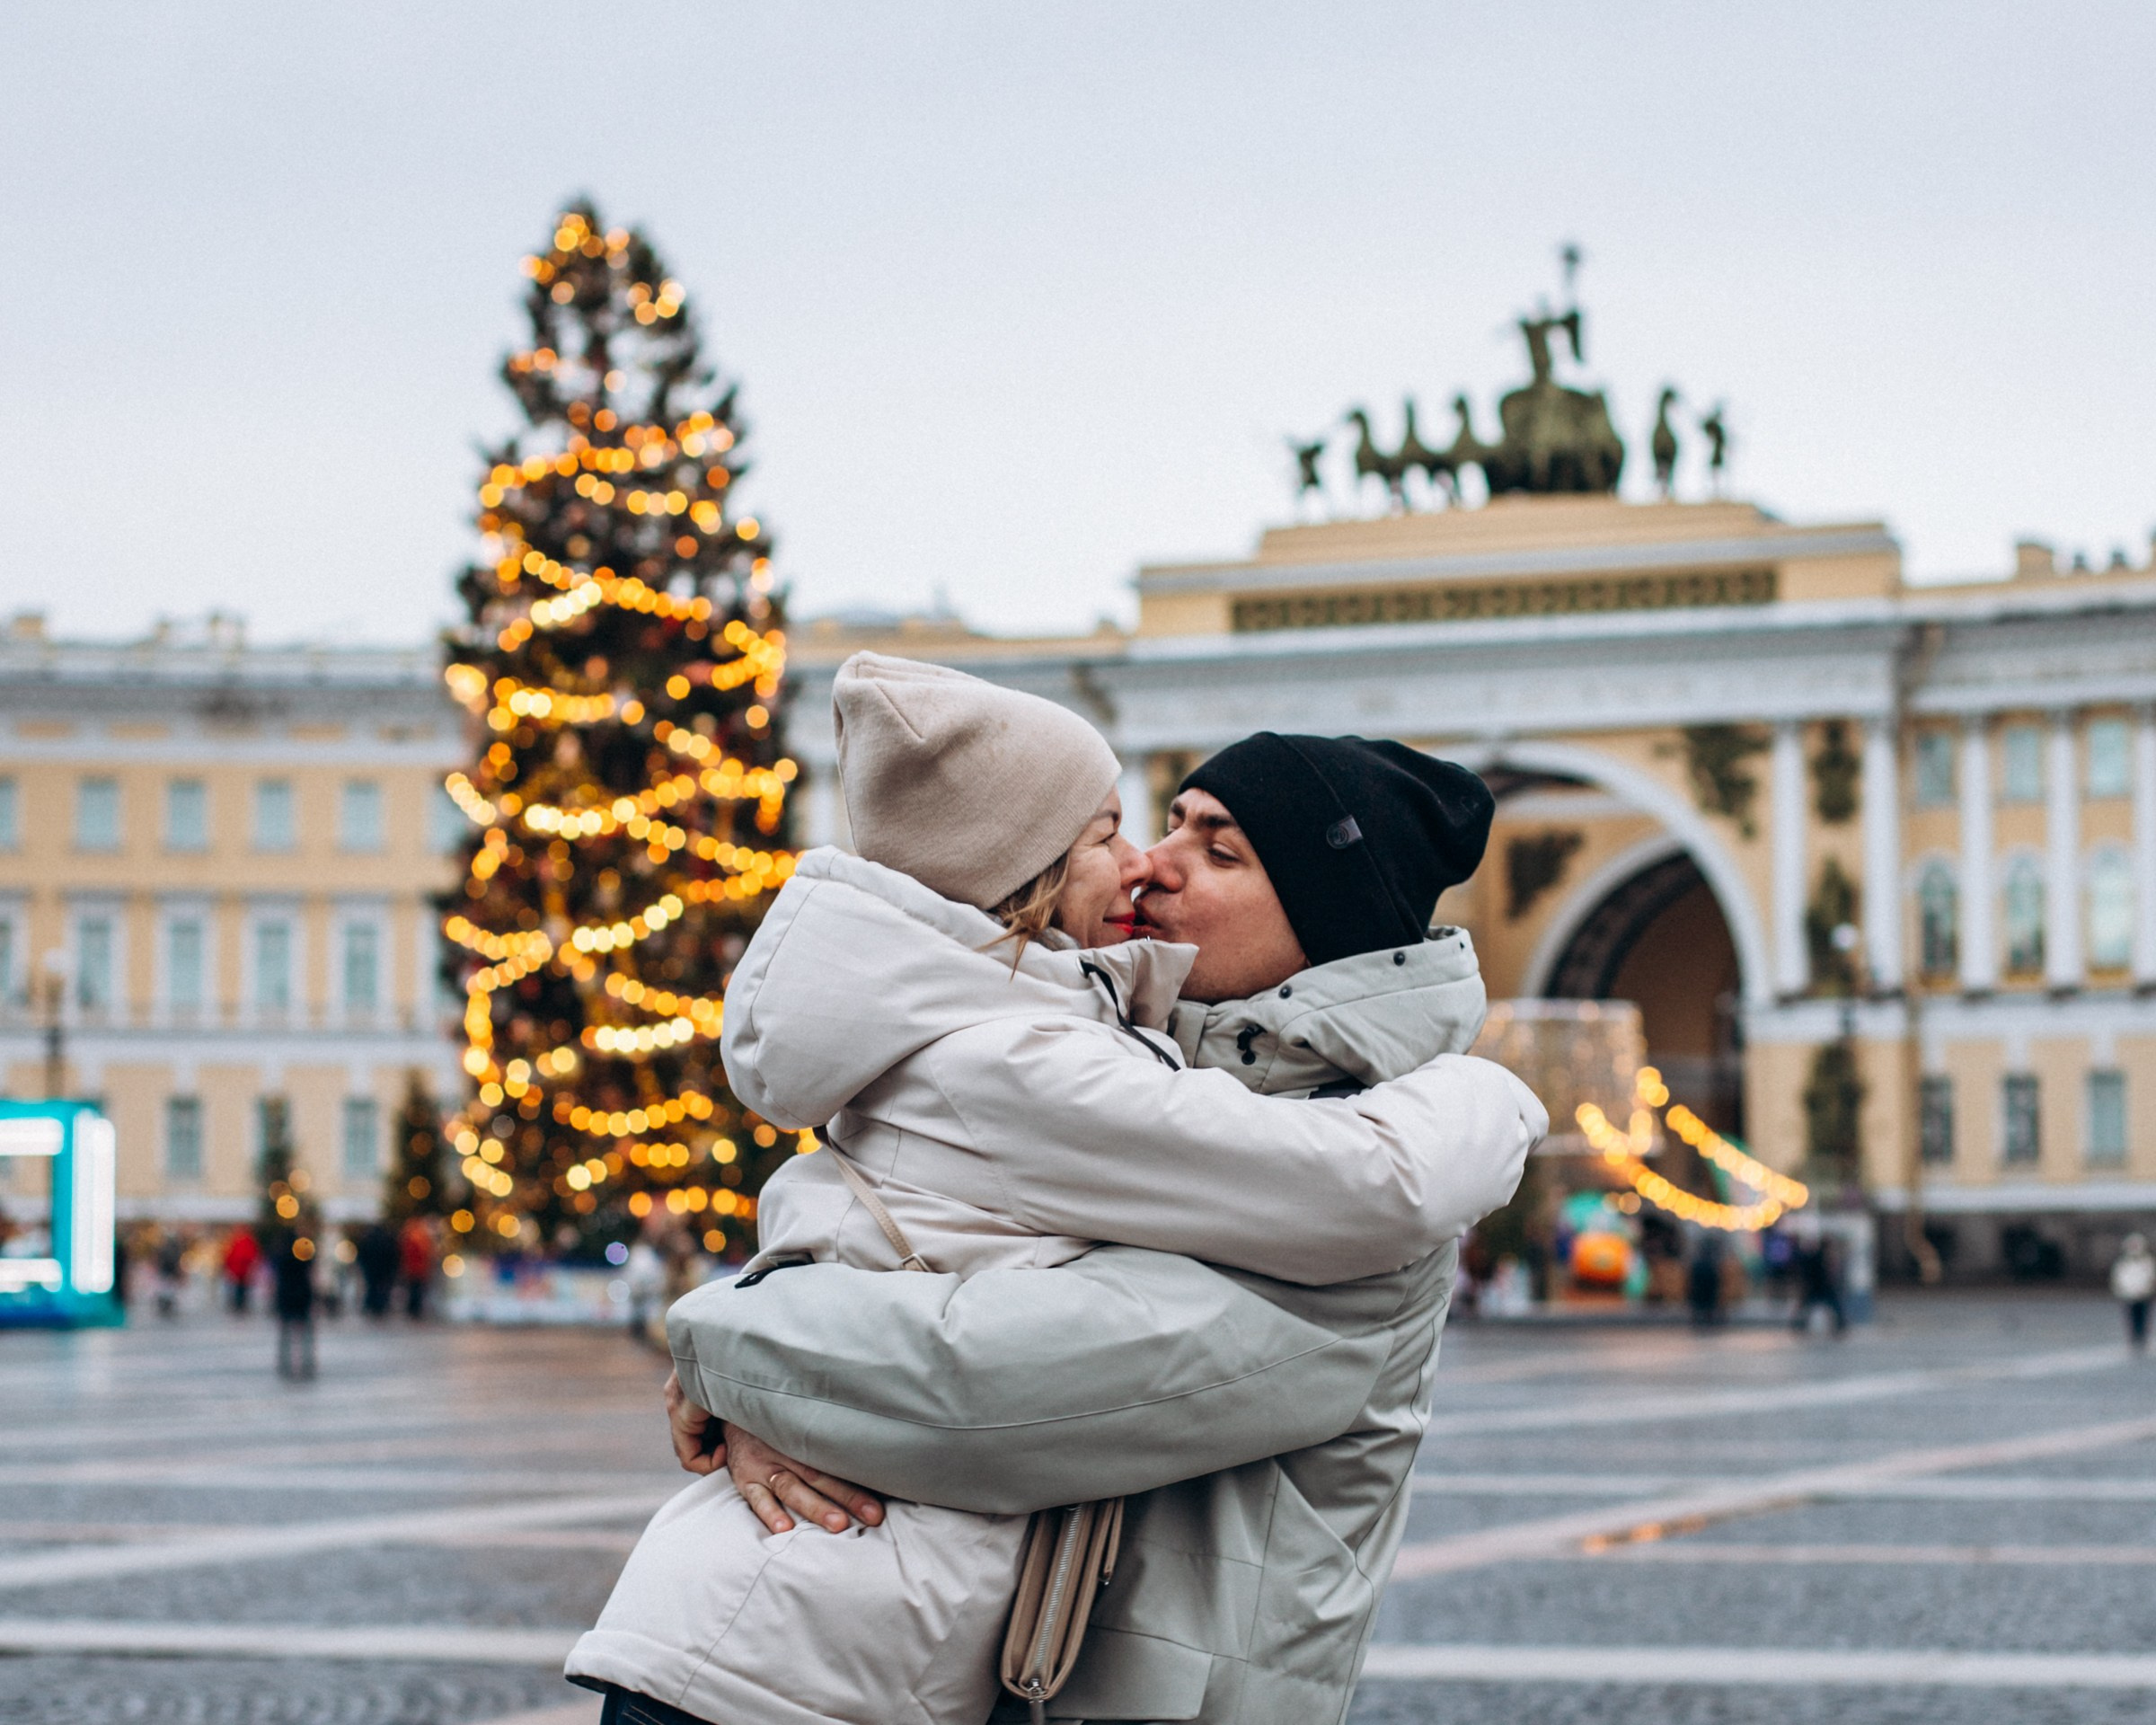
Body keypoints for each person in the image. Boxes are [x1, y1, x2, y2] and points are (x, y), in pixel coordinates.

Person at [567, 662, 1541, 1725]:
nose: (1149, 867)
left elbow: (992, 1387)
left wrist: (737, 1359)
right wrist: (756, 1369)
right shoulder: (1070, 1062)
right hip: (807, 1652)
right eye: (1142, 829)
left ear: (1327, 922)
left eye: (1216, 852)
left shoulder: (1313, 1160)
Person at [270, 1225, 316, 1380]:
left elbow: (276, 1274)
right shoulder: (303, 1253)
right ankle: (308, 1362)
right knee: (306, 1332)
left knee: (285, 1332)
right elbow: (310, 1271)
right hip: (302, 1295)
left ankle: (284, 1362)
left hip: (285, 1296)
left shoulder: (280, 1254)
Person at [2112, 1233, 2155, 1350]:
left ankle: (2142, 1336)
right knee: (2132, 1316)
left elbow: (2150, 1276)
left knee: (2143, 1316)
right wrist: (2121, 1290)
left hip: (2143, 1294)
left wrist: (2147, 1288)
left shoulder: (2147, 1261)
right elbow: (2119, 1277)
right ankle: (2134, 1336)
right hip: (2129, 1294)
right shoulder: (2123, 1262)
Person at [356, 1219, 399, 1318]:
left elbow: (362, 1254)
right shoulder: (386, 1239)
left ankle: (371, 1304)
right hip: (383, 1268)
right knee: (381, 1287)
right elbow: (393, 1254)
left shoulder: (368, 1239)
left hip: (371, 1268)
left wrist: (363, 1265)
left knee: (371, 1286)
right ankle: (379, 1305)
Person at [398, 1215, 435, 1320]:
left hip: (414, 1269)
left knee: (414, 1290)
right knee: (416, 1290)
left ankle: (414, 1310)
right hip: (418, 1269)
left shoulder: (411, 1239)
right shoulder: (421, 1239)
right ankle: (415, 1310)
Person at [220, 1225, 261, 1315]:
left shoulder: (244, 1241)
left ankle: (240, 1305)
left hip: (243, 1271)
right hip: (238, 1270)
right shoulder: (237, 1241)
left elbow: (251, 1256)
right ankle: (239, 1305)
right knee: (239, 1289)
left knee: (241, 1289)